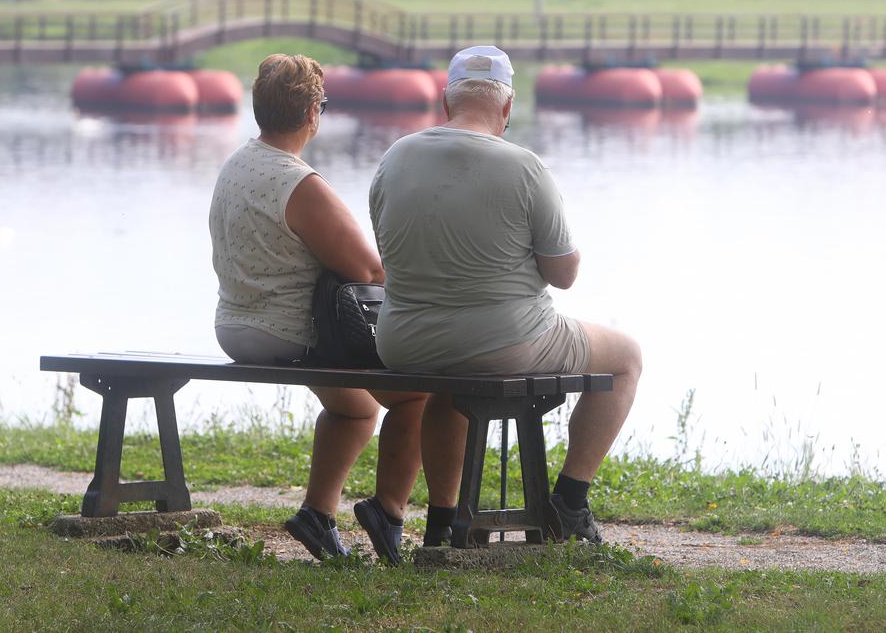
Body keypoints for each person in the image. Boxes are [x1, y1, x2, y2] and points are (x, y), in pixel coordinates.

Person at [369, 45, 643, 544]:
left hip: (404, 341)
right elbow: (563, 275)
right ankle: (570, 502)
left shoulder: (395, 157)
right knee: (626, 356)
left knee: (450, 385)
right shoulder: (526, 168)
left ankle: (443, 524)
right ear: (508, 106)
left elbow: (390, 256)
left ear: (446, 100)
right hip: (503, 343)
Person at [209, 53, 425, 564]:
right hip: (287, 331)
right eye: (322, 105)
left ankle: (317, 515)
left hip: (233, 325)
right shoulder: (298, 182)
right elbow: (369, 271)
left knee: (356, 407)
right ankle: (388, 512)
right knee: (419, 394)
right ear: (311, 113)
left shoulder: (237, 164)